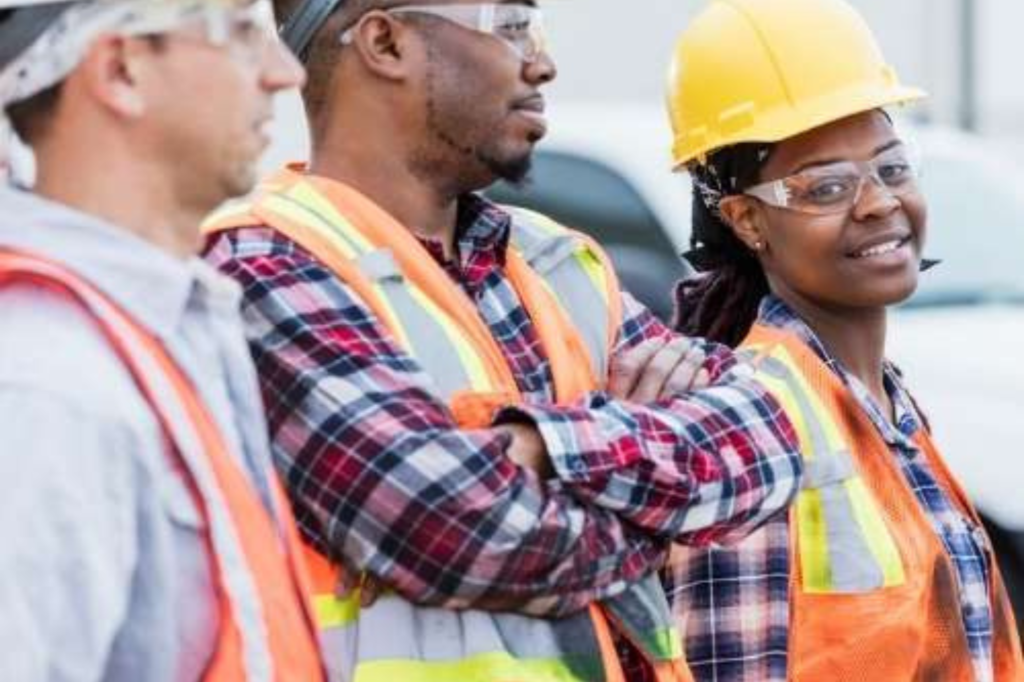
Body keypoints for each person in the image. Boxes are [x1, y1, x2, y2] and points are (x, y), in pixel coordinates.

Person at [201, 0, 804, 680]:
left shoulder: (555, 260)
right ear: (385, 42)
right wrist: (658, 506)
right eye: (511, 27)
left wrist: (544, 447)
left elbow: (765, 441)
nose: (541, 63)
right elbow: (450, 525)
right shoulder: (266, 266)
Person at [660, 0, 1024, 680]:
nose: (879, 202)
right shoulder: (751, 422)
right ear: (745, 220)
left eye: (892, 167)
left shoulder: (887, 406)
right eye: (825, 187)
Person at [0, 1, 325, 680]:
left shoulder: (154, 328)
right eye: (239, 31)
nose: (284, 71)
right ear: (121, 69)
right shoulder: (45, 383)